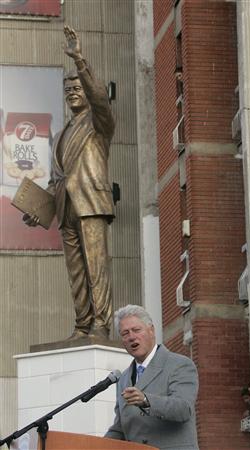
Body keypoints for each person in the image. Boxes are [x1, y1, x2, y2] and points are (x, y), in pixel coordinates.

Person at [24, 26, 115, 340]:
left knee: (96, 267)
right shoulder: (60, 136)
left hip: (91, 203)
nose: (72, 92)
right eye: (68, 89)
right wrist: (38, 209)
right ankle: (82, 324)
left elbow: (99, 98)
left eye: (77, 87)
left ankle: (101, 324)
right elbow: (54, 180)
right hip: (65, 208)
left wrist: (79, 61)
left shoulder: (99, 123)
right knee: (76, 272)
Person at [105, 305, 199, 450]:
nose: (131, 337)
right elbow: (120, 428)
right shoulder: (123, 379)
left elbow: (183, 409)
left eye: (136, 330)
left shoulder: (179, 364)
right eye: (125, 333)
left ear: (151, 330)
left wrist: (146, 400)